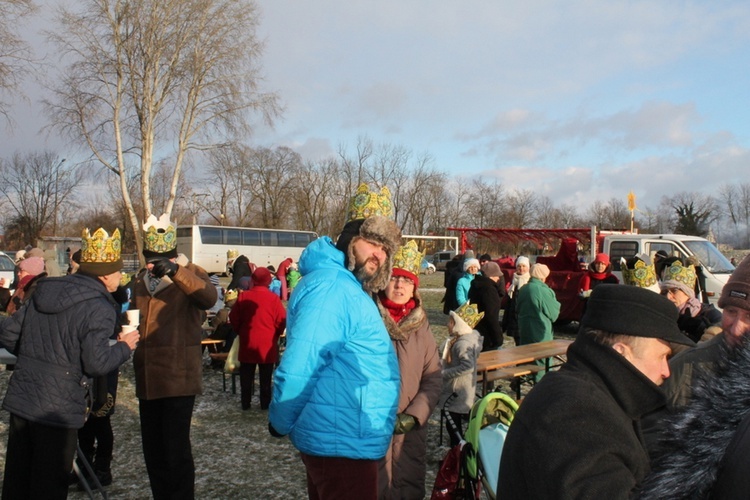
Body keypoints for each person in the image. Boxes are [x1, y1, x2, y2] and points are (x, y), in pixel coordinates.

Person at [497, 284, 694, 499]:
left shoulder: (594, 393)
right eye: (662, 356)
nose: (666, 370)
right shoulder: (576, 410)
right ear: (621, 353)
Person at [268, 183, 402, 500]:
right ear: (348, 240)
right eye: (371, 243)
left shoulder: (345, 286)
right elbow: (302, 363)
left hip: (345, 436)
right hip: (341, 442)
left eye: (385, 249)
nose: (379, 255)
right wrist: (280, 420)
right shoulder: (333, 288)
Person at [0, 227, 139, 499]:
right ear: (104, 275)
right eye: (118, 272)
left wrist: (35, 354)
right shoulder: (99, 305)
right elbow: (97, 363)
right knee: (49, 483)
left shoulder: (43, 290)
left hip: (24, 398)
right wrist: (125, 347)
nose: (121, 278)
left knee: (18, 480)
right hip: (59, 408)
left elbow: (8, 334)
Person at [131, 214, 217, 500]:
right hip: (147, 374)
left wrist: (176, 271)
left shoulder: (192, 271)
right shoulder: (140, 279)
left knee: (175, 451)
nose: (151, 263)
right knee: (153, 452)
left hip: (178, 376)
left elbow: (209, 297)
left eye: (157, 258)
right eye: (149, 257)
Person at [640, 255, 750, 453]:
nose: (736, 329)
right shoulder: (687, 369)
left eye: (749, 316)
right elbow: (647, 439)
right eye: (731, 312)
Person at [374, 240, 441, 500]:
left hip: (411, 432)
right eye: (394, 278)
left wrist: (415, 416)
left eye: (407, 280)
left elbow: (433, 378)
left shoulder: (422, 328)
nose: (400, 285)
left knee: (407, 486)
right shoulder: (369, 319)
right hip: (373, 426)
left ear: (415, 288)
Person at [229, 266, 287, 410]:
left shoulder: (243, 296)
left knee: (246, 377)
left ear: (253, 280)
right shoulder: (273, 299)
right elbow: (281, 319)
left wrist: (240, 331)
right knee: (265, 378)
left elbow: (233, 317)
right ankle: (265, 403)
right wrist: (276, 333)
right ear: (268, 280)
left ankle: (245, 403)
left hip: (248, 341)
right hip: (267, 344)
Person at [437, 301, 484, 447]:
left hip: (457, 392)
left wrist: (444, 373)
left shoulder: (462, 344)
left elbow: (467, 366)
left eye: (451, 322)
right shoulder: (457, 340)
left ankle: (458, 450)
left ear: (458, 325)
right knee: (453, 420)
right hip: (457, 390)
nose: (447, 325)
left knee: (453, 424)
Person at [659, 259, 722, 343]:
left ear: (687, 292)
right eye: (664, 292)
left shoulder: (712, 316)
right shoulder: (661, 316)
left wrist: (701, 330)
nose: (668, 296)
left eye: (674, 291)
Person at [515, 263, 560, 380]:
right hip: (540, 331)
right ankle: (541, 390)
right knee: (542, 364)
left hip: (525, 330)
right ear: (543, 276)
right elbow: (554, 314)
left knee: (527, 360)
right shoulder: (543, 291)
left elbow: (517, 308)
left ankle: (522, 381)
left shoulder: (524, 288)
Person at [468, 261, 505, 351]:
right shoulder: (489, 290)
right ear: (491, 275)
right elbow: (491, 316)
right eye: (497, 275)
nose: (498, 279)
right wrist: (498, 338)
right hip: (489, 335)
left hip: (478, 331)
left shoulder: (477, 285)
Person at [502, 255, 530, 345]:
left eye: (524, 266)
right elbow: (510, 304)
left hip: (525, 321)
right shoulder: (514, 282)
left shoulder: (529, 282)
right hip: (514, 320)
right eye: (519, 266)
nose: (521, 269)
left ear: (528, 267)